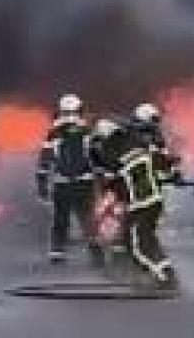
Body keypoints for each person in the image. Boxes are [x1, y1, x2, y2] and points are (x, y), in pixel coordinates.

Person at [92, 113, 180, 295]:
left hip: (140, 204)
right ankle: (160, 272)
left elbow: (111, 182)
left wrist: (99, 164)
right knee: (147, 240)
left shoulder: (115, 155)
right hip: (154, 202)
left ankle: (165, 278)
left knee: (135, 246)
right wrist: (171, 174)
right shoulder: (141, 148)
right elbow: (165, 165)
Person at [35, 94, 103, 267]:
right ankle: (96, 253)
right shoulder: (88, 130)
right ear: (80, 110)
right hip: (84, 182)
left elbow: (45, 160)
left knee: (60, 219)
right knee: (87, 218)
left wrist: (42, 186)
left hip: (61, 183)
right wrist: (103, 180)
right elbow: (97, 157)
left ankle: (57, 253)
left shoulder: (54, 132)